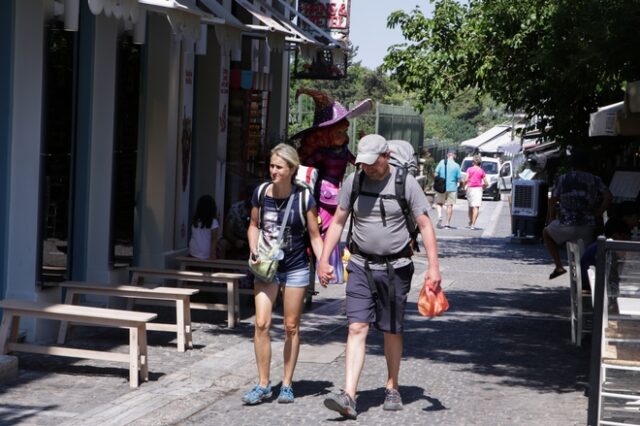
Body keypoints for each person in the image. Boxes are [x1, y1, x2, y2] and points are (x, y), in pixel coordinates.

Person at [317, 134, 442, 419]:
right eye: (364, 163)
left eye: (373, 163)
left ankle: (392, 386)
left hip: (395, 268)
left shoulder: (405, 183)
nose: (368, 168)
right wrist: (325, 259)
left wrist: (433, 269)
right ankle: (349, 395)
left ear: (386, 156)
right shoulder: (355, 181)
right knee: (356, 327)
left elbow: (425, 225)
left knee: (391, 330)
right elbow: (338, 221)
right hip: (360, 265)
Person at [242, 143, 324, 405]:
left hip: (296, 267)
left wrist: (323, 262)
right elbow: (254, 225)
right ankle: (263, 383)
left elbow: (314, 235)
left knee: (291, 326)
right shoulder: (261, 193)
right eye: (271, 165)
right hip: (267, 267)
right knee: (262, 323)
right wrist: (253, 248)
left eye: (278, 166)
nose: (273, 170)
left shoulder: (304, 199)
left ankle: (287, 384)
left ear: (291, 169)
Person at [291, 88, 373, 284]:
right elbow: (308, 163)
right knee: (327, 230)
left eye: (344, 132)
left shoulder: (339, 151)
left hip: (333, 193)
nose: (343, 135)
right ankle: (329, 266)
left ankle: (330, 264)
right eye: (339, 132)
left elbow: (357, 161)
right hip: (326, 194)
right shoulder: (330, 152)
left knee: (330, 230)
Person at [543, 149, 612, 280]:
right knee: (585, 258)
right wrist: (598, 213)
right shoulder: (595, 179)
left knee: (546, 233)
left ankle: (558, 266)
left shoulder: (562, 179)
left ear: (571, 164)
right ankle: (586, 285)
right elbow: (608, 196)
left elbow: (552, 200)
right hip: (587, 225)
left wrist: (551, 218)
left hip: (565, 224)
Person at [222, 184, 255, 260]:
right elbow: (227, 231)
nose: (251, 199)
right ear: (245, 196)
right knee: (223, 243)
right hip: (239, 241)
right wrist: (235, 241)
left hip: (255, 243)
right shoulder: (236, 209)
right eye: (249, 195)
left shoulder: (261, 210)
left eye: (253, 196)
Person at [433, 151, 461, 229]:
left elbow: (435, 173)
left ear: (447, 155)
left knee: (439, 203)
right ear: (454, 156)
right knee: (449, 205)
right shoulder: (457, 165)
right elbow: (459, 178)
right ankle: (447, 224)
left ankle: (439, 215)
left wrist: (437, 180)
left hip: (441, 186)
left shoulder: (442, 162)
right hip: (452, 187)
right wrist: (457, 183)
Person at [188, 195, 219, 260]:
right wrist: (213, 254)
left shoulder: (195, 220)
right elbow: (214, 239)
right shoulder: (213, 221)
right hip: (206, 253)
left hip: (193, 251)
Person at [463, 155, 488, 230]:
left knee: (470, 207)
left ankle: (471, 221)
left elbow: (466, 179)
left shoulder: (469, 169)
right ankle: (473, 224)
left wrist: (463, 186)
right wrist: (482, 187)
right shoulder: (481, 171)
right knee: (476, 207)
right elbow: (486, 183)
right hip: (478, 189)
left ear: (474, 162)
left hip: (470, 188)